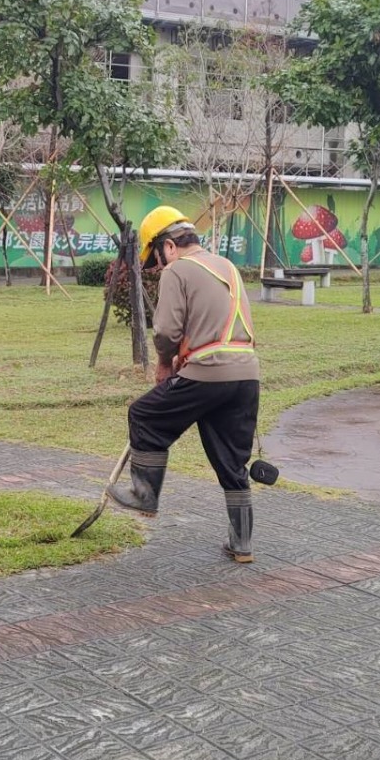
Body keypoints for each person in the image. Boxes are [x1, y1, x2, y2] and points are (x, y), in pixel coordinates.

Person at [109, 206, 261, 562]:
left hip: (208, 373)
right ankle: (242, 544)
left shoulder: (177, 271)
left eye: (157, 258)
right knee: (230, 460)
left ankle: (145, 495)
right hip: (246, 374)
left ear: (169, 246)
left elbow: (166, 331)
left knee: (144, 414)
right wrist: (188, 355)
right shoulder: (228, 267)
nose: (159, 267)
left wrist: (165, 362)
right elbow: (218, 323)